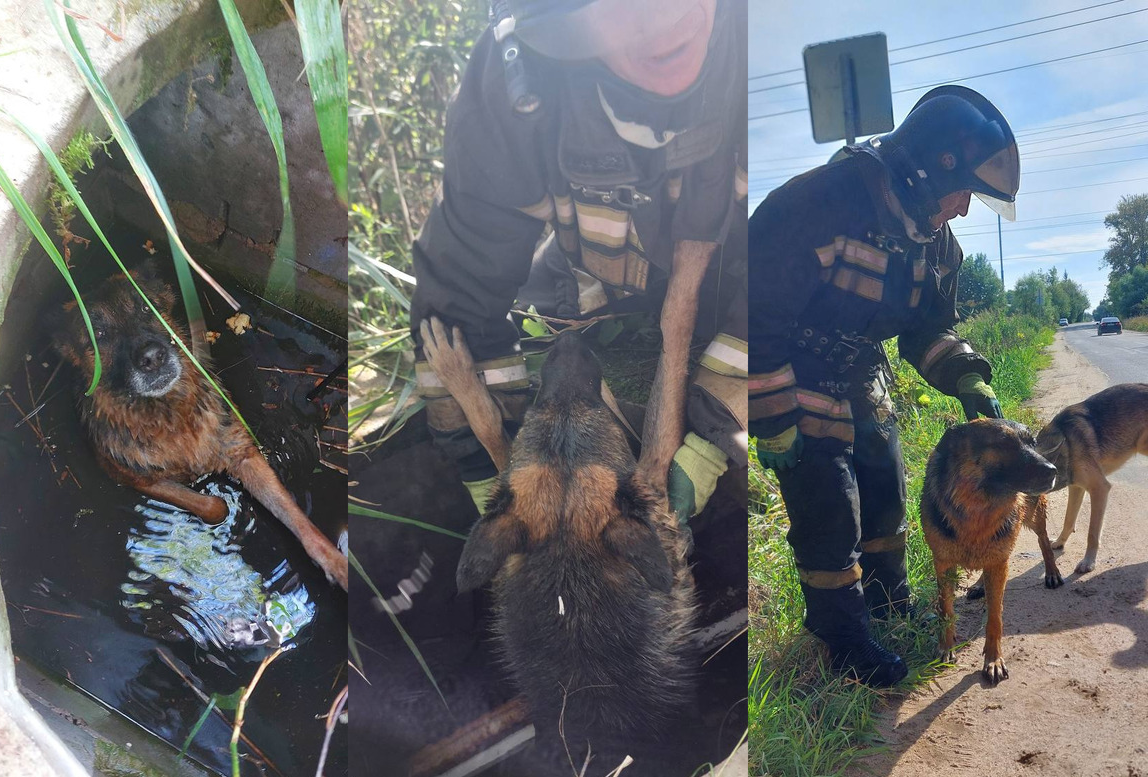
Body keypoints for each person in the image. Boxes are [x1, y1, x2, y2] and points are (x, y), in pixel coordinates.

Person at [410, 0, 746, 516]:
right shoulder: (513, 90)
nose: (657, 16)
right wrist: (481, 467)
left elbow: (790, 289)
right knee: (538, 305)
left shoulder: (761, 50)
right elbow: (462, 284)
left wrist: (713, 434)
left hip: (735, 281)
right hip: (600, 279)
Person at [742, 85, 1019, 686]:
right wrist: (774, 419)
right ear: (928, 169)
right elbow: (750, 319)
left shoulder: (937, 243)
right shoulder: (817, 204)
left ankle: (891, 605)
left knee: (887, 495)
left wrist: (966, 375)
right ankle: (843, 638)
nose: (966, 210)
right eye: (964, 192)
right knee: (829, 509)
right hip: (792, 368)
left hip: (862, 373)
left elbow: (927, 332)